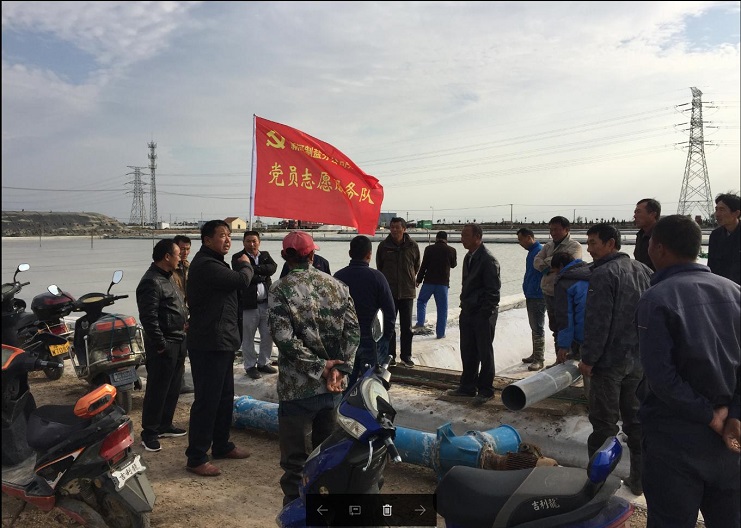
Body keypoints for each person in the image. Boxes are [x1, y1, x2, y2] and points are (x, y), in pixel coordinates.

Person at [636, 214, 740, 528]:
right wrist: (733, 415)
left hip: (676, 438)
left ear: (659, 248)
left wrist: (710, 416)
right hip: (729, 437)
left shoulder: (656, 299)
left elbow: (662, 379)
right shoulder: (735, 291)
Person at [269, 231, 359, 506]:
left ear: (284, 256)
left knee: (295, 463)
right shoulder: (338, 287)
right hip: (332, 389)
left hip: (297, 390)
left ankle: (296, 512)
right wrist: (339, 369)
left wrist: (320, 367)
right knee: (326, 456)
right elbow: (354, 332)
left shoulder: (280, 290)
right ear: (312, 255)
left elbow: (284, 339)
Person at [578, 223, 652, 496]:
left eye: (593, 243)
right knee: (636, 423)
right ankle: (640, 479)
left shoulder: (604, 274)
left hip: (609, 362)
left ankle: (597, 485)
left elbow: (598, 323)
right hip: (638, 359)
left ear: (611, 244)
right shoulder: (644, 270)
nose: (589, 249)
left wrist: (588, 359)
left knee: (604, 425)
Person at [184, 220, 254, 477]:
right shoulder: (206, 265)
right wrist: (245, 264)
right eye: (222, 235)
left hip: (222, 340)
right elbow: (242, 280)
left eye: (229, 235)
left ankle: (222, 445)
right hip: (209, 342)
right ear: (207, 240)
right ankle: (196, 457)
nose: (227, 240)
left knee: (224, 398)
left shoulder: (216, 262)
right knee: (207, 400)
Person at [136, 238, 189, 452]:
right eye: (177, 254)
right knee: (157, 389)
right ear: (167, 257)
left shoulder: (169, 278)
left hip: (178, 339)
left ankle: (165, 425)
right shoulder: (151, 281)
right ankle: (149, 432)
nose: (180, 258)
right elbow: (148, 318)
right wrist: (161, 344)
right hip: (164, 344)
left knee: (173, 387)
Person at [446, 223, 500, 406]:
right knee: (468, 350)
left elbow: (493, 291)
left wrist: (485, 313)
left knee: (484, 352)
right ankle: (467, 386)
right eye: (462, 235)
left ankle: (486, 389)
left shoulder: (488, 260)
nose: (462, 239)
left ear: (477, 237)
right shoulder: (469, 257)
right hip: (468, 311)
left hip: (482, 313)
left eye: (465, 235)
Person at [334, 235, 396, 388]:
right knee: (372, 385)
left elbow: (332, 311)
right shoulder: (377, 277)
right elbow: (390, 312)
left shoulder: (337, 277)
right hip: (372, 339)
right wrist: (385, 338)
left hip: (345, 339)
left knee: (344, 384)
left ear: (350, 253)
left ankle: (344, 403)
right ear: (369, 255)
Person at [232, 231, 278, 380]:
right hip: (249, 304)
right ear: (243, 242)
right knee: (248, 337)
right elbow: (244, 276)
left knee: (267, 334)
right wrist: (261, 274)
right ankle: (250, 365)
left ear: (259, 242)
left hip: (266, 303)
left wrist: (252, 268)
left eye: (254, 241)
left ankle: (264, 362)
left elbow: (273, 268)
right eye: (248, 241)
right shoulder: (238, 257)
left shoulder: (265, 255)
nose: (251, 244)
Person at [533, 216, 583, 355]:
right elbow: (536, 260)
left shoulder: (574, 246)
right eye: (551, 230)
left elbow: (571, 263)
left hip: (565, 293)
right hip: (549, 291)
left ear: (566, 229)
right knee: (555, 326)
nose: (553, 233)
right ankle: (559, 358)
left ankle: (573, 357)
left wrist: (548, 261)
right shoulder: (548, 245)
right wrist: (550, 266)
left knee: (568, 324)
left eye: (556, 229)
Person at [376, 217, 420, 367]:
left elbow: (416, 265)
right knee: (389, 325)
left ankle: (406, 356)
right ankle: (390, 356)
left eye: (397, 227)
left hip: (407, 291)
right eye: (392, 227)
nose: (394, 230)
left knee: (407, 327)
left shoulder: (412, 246)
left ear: (404, 229)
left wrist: (409, 278)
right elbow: (380, 266)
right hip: (389, 292)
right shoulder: (383, 246)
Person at [551, 252, 590, 374]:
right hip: (602, 330)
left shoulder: (564, 282)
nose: (556, 274)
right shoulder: (591, 272)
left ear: (561, 266)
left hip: (584, 332)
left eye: (556, 271)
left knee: (587, 368)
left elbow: (565, 316)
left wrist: (563, 346)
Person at [414, 231, 457, 339]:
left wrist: (418, 280)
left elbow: (423, 266)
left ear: (436, 238)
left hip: (429, 282)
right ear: (446, 239)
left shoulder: (429, 249)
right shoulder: (452, 250)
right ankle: (440, 333)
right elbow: (453, 265)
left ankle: (420, 323)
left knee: (421, 301)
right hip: (443, 284)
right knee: (442, 309)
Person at [516, 228, 546, 371]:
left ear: (529, 237)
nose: (520, 243)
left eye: (521, 239)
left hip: (537, 294)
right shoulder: (532, 252)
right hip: (531, 293)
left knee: (538, 326)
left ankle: (539, 359)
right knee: (534, 326)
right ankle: (535, 354)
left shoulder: (539, 251)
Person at [173, 234, 194, 394]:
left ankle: (180, 383)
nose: (185, 252)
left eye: (187, 249)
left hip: (185, 312)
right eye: (182, 249)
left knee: (183, 350)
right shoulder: (169, 268)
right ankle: (176, 383)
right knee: (175, 351)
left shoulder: (188, 266)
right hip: (174, 313)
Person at [707, 192, 740, 285]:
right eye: (716, 209)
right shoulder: (715, 235)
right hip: (719, 286)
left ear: (736, 213)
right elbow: (711, 265)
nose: (717, 214)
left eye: (722, 210)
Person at [633, 198, 660, 271]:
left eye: (638, 212)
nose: (635, 216)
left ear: (652, 214)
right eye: (635, 212)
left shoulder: (661, 235)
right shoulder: (640, 235)